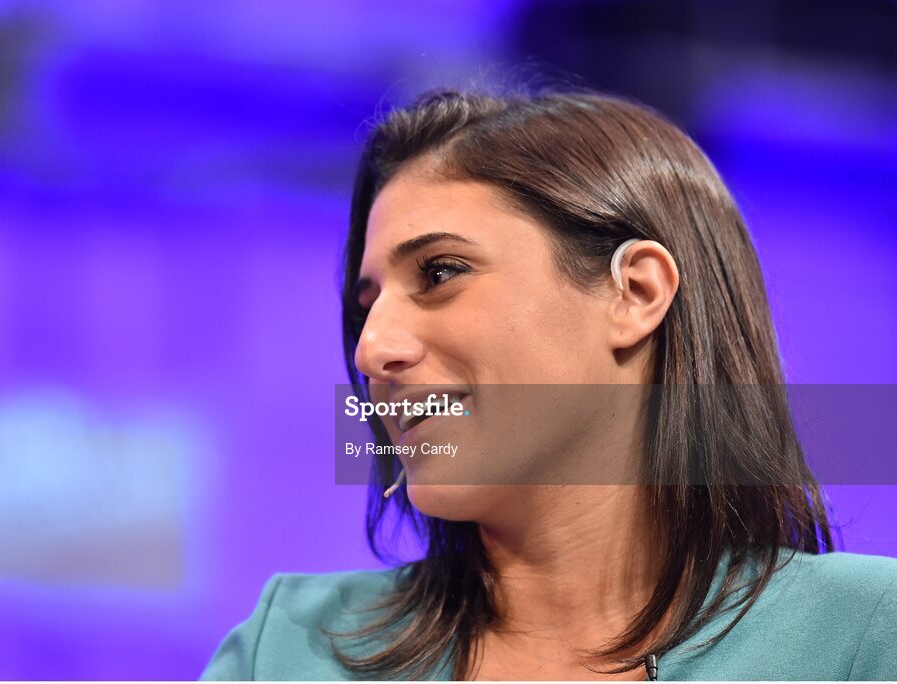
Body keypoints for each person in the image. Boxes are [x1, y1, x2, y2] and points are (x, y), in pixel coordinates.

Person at [201, 89, 897, 680]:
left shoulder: (861, 636)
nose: (372, 349)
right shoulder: (289, 649)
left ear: (634, 293)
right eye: (366, 306)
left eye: (440, 273)